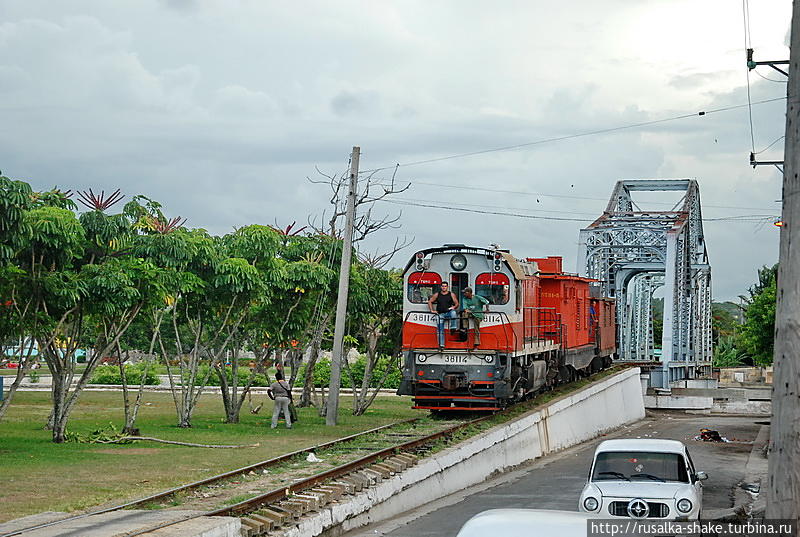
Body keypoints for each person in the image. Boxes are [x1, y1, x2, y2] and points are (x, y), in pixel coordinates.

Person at [428, 281, 459, 348]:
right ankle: (441, 345)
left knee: (453, 313)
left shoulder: (451, 294)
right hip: (440, 314)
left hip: (448, 312)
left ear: (447, 287)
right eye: (443, 286)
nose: (444, 287)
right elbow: (430, 301)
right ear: (441, 287)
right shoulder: (437, 294)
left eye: (445, 286)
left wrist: (453, 307)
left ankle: (453, 328)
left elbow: (457, 303)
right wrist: (432, 310)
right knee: (440, 329)